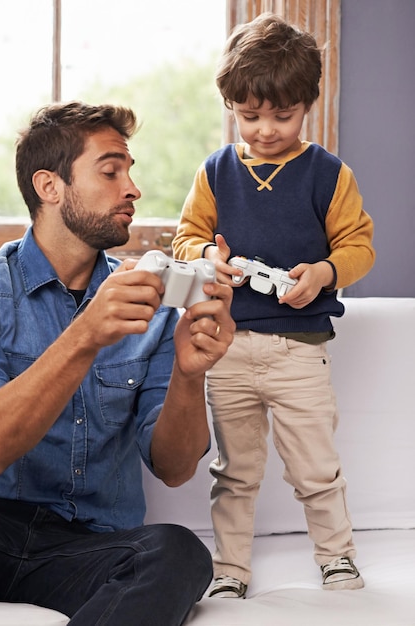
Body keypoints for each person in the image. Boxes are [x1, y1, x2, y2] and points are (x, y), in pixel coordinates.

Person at [0, 101, 236, 625]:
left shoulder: (154, 308)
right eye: (111, 170)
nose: (132, 188)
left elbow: (173, 468)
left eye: (130, 170)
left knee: (179, 551)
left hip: (83, 550)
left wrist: (191, 376)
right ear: (50, 187)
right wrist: (85, 335)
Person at [172, 13, 375, 599]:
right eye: (249, 114)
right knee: (233, 472)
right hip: (227, 349)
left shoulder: (328, 174)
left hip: (298, 352)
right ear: (231, 105)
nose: (264, 129)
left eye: (281, 116)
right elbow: (186, 236)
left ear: (307, 104)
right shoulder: (214, 171)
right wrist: (207, 253)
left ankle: (336, 558)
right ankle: (230, 570)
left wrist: (327, 272)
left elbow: (358, 246)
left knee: (315, 467)